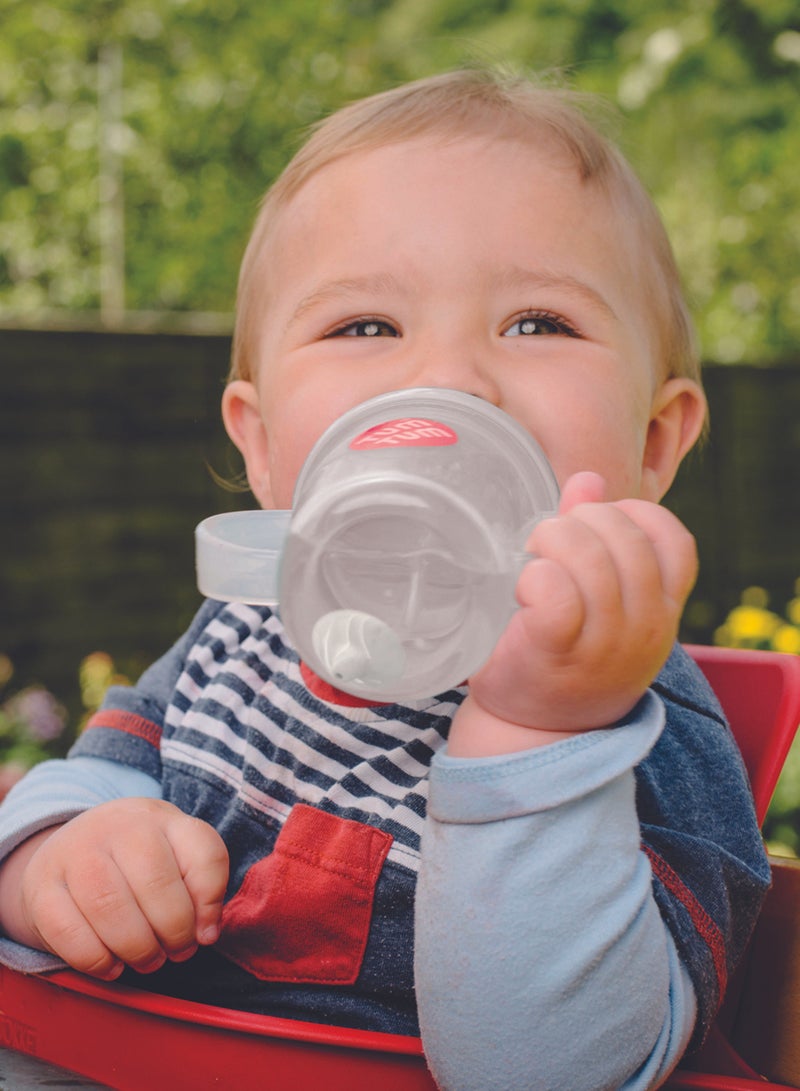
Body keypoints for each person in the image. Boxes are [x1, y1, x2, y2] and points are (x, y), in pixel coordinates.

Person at [0, 68, 770, 1090]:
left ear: (652, 441)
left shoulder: (639, 721)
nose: (445, 378)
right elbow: (102, 772)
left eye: (536, 321)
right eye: (364, 326)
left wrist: (540, 730)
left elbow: (549, 1069)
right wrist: (65, 850)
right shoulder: (245, 629)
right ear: (264, 445)